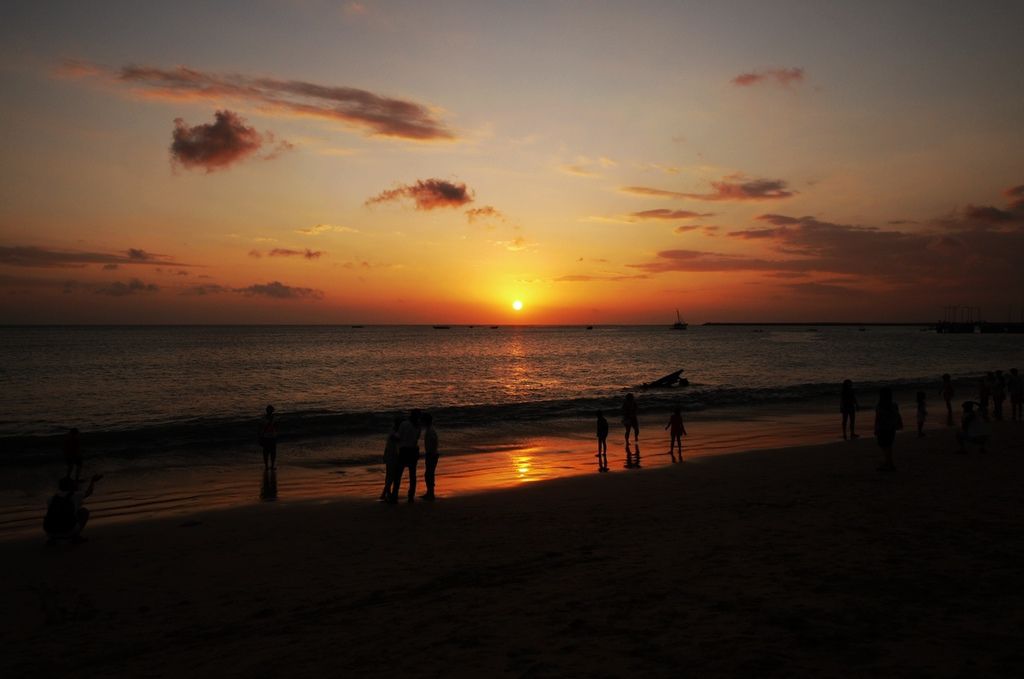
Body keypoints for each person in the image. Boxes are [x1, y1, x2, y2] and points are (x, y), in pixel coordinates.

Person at [44, 474, 102, 544]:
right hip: (67, 531)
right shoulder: (75, 495)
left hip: (50, 532)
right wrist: (93, 481)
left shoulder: (51, 498)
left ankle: (53, 538)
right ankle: (75, 536)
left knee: (56, 515)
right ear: (71, 486)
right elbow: (89, 492)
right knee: (83, 511)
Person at [389, 409, 421, 504]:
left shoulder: (404, 424)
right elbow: (416, 439)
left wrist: (392, 435)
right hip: (414, 451)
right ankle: (411, 496)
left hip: (404, 451)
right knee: (412, 475)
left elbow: (399, 437)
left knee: (398, 474)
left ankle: (394, 496)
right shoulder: (418, 427)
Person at [873, 388, 902, 472]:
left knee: (884, 446)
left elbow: (878, 419)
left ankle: (889, 464)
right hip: (891, 428)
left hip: (883, 429)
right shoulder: (894, 405)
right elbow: (897, 416)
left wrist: (876, 429)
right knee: (888, 446)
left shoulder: (880, 406)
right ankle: (889, 463)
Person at [380, 416, 401, 501]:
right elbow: (395, 444)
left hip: (391, 456)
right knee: (391, 476)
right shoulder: (394, 434)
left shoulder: (392, 432)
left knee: (389, 475)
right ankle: (385, 493)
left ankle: (387, 493)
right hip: (392, 456)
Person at [421, 413, 440, 501]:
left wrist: (431, 452)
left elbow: (433, 441)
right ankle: (429, 492)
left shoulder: (430, 430)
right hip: (432, 454)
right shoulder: (430, 429)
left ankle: (430, 493)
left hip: (431, 454)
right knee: (429, 474)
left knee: (429, 474)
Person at [258, 405, 277, 470]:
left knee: (272, 452)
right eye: (270, 410)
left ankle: (271, 466)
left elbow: (276, 427)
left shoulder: (274, 418)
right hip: (266, 437)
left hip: (272, 436)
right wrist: (260, 436)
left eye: (271, 410)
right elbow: (260, 427)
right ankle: (267, 466)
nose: (270, 411)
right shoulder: (263, 418)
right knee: (266, 452)